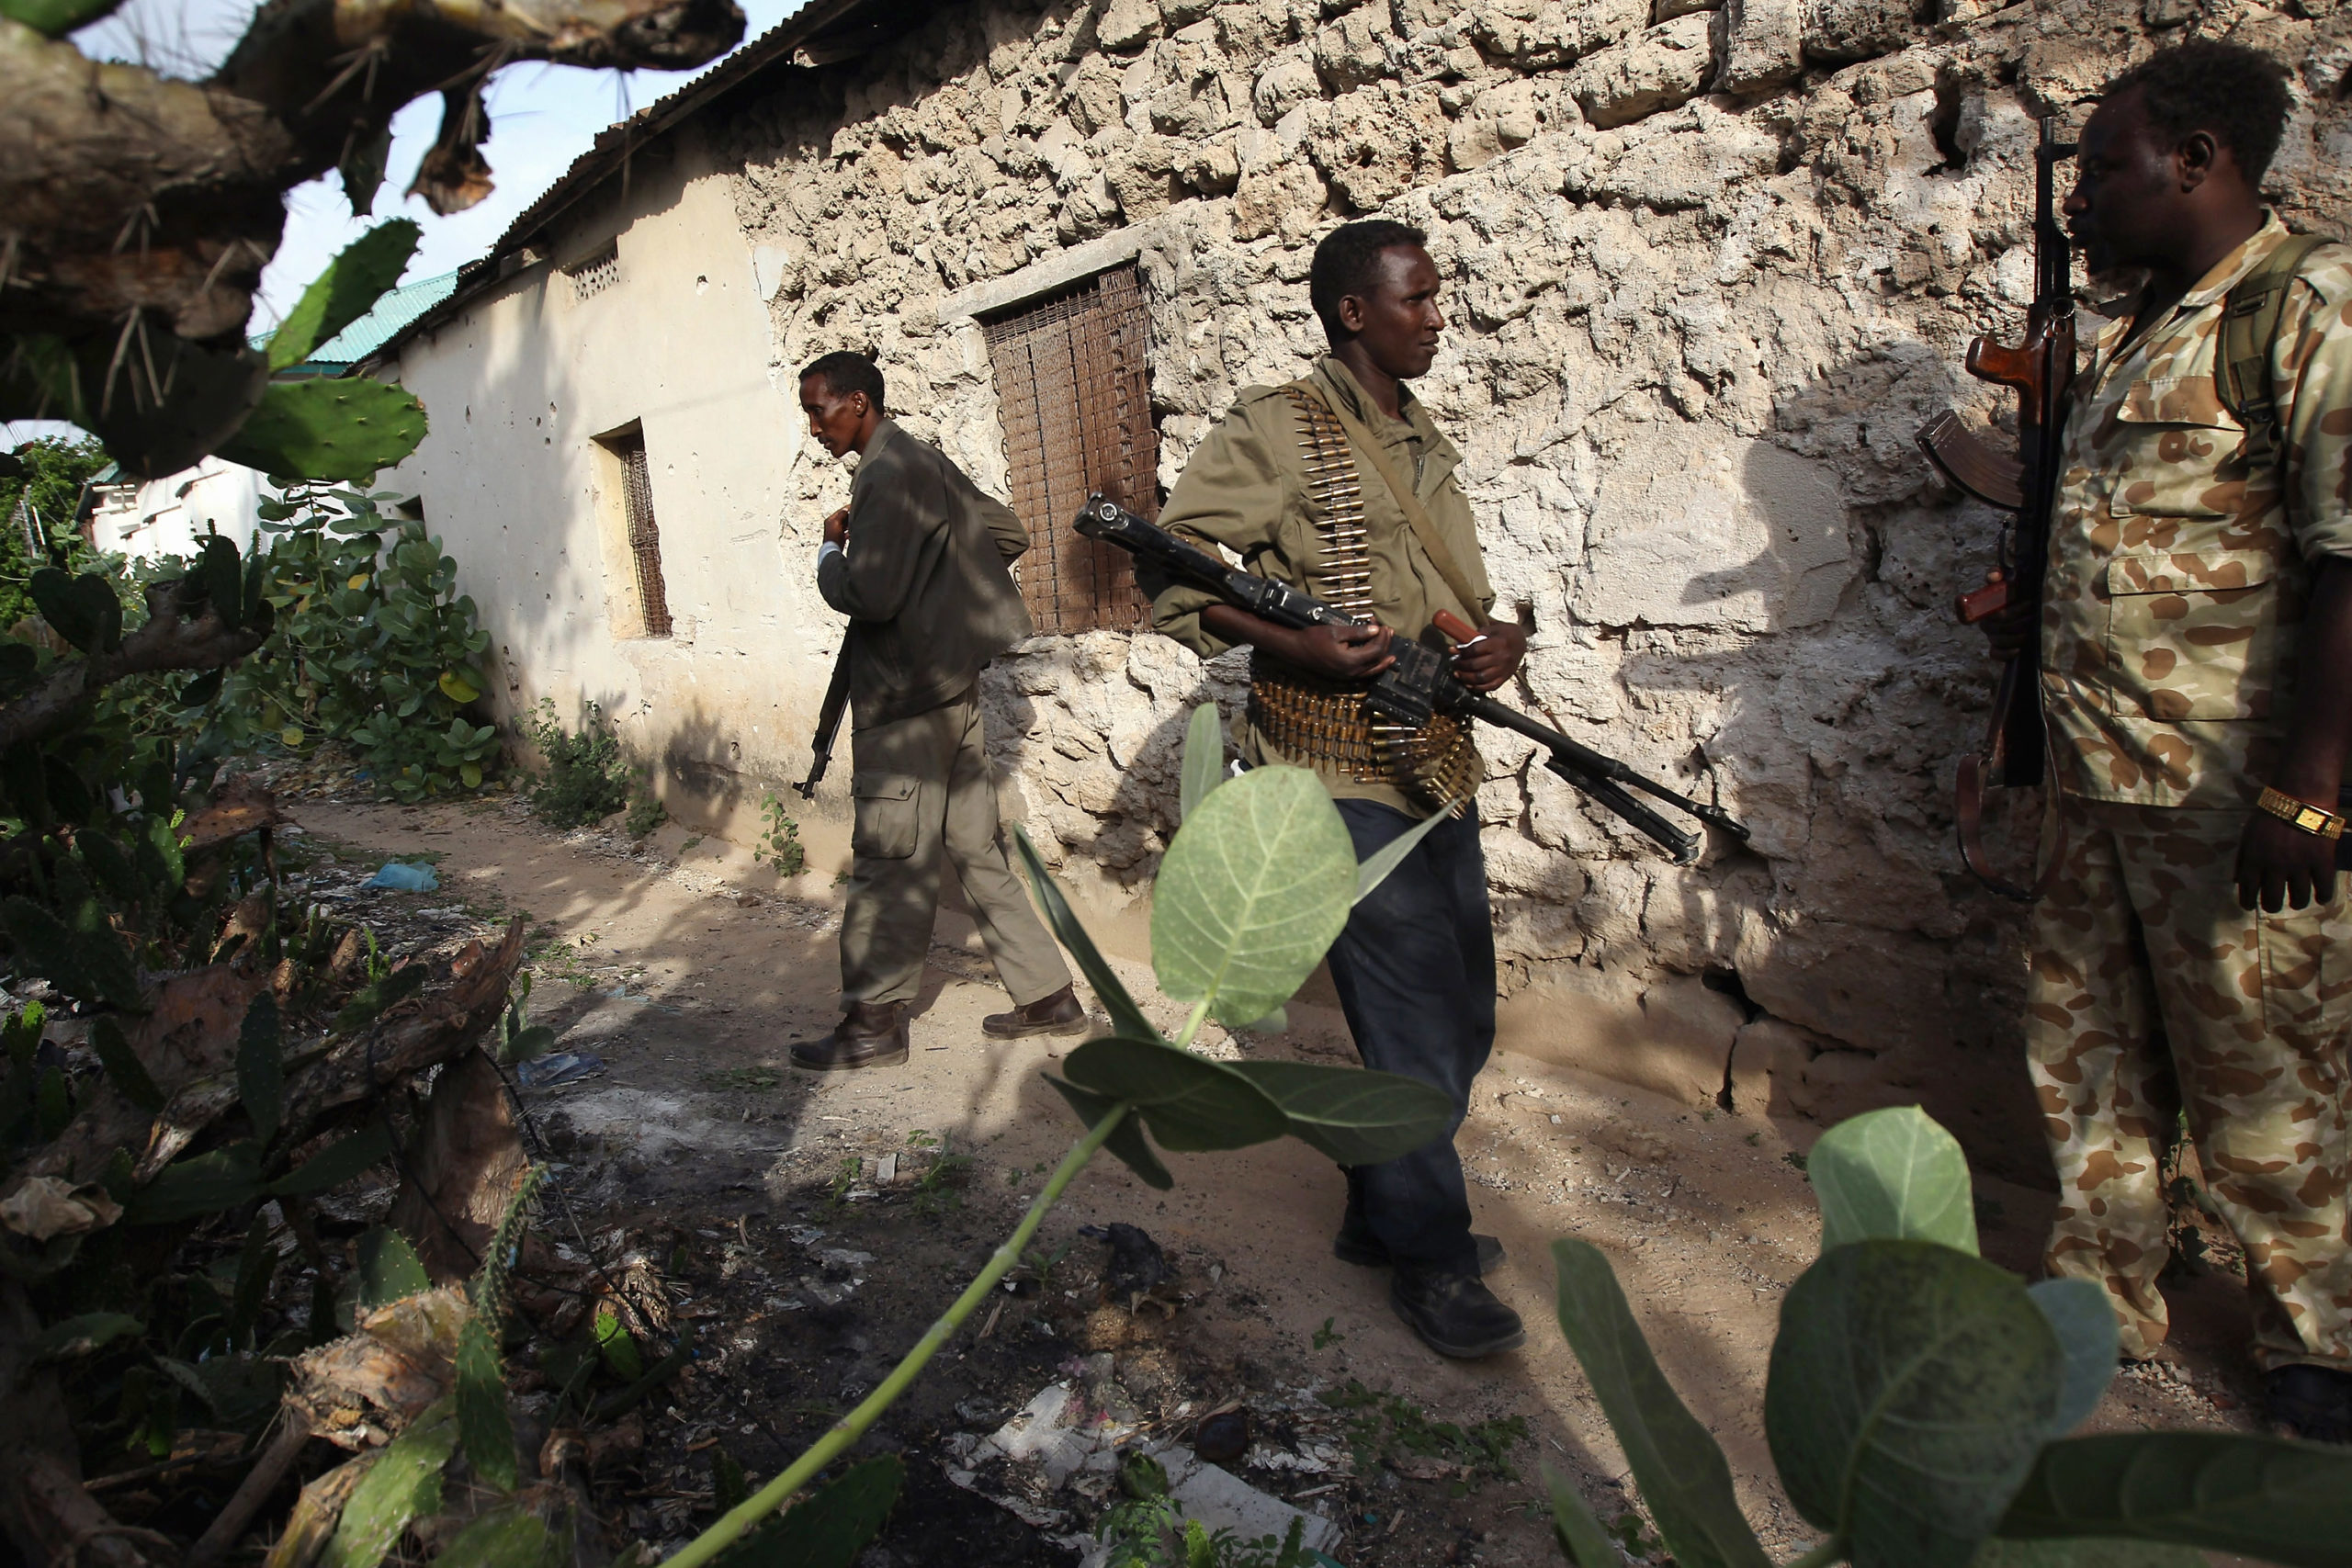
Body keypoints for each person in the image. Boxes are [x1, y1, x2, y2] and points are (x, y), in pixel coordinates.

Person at [1974, 40, 2352, 1441]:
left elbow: (2348, 557)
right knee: (2085, 1046)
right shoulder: (2144, 323)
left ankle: (2319, 1330)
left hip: (2226, 787)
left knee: (2266, 1064)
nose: (2082, 198)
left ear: (2199, 160)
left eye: (2105, 168)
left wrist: (2311, 789)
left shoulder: (2304, 305)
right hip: (2095, 773)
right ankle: (2100, 1288)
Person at [1145, 220, 1530, 1359]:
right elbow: (1175, 572)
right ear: (1354, 313)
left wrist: (1496, 639)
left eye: (1437, 294)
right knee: (1411, 1028)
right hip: (1335, 772)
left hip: (1434, 760)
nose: (1437, 316)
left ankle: (1378, 1204)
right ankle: (1431, 1259)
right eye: (1417, 298)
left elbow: (1452, 589)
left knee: (1464, 1019)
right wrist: (1296, 649)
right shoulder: (1274, 429)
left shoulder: (1419, 440)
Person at [789, 351, 1087, 1071]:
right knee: (976, 849)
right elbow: (1006, 533)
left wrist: (833, 550)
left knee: (890, 860)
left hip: (905, 705)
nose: (813, 427)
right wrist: (940, 599)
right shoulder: (925, 462)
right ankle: (1048, 995)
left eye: (818, 409)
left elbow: (870, 595)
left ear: (858, 403)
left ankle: (872, 1028)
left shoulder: (886, 477)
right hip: (954, 692)